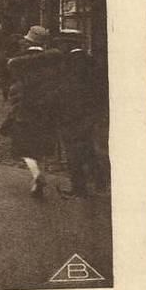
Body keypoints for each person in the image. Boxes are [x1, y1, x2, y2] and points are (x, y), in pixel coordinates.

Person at [2, 25, 64, 197]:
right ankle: (38, 179)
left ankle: (36, 174)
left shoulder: (19, 60)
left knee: (23, 146)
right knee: (42, 145)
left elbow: (13, 83)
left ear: (28, 41)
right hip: (46, 109)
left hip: (25, 109)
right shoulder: (53, 59)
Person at [53, 31, 102, 198]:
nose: (59, 47)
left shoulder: (68, 63)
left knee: (73, 150)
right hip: (89, 113)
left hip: (72, 114)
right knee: (88, 147)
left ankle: (79, 188)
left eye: (61, 43)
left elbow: (66, 91)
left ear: (69, 44)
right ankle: (101, 181)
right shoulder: (91, 60)